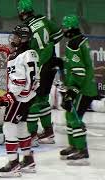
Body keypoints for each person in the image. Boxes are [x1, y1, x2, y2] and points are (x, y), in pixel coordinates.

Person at [17, 0, 64, 145]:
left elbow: (23, 49)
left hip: (38, 64)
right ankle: (49, 132)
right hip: (51, 62)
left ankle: (31, 134)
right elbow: (59, 35)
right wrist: (47, 46)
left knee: (33, 99)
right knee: (43, 98)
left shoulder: (25, 27)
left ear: (21, 12)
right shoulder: (43, 19)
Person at [0, 24, 39, 178]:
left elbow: (20, 81)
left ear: (23, 38)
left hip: (19, 98)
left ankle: (13, 163)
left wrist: (10, 96)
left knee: (8, 126)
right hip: (27, 97)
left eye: (16, 36)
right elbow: (33, 80)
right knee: (21, 126)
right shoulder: (31, 53)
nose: (12, 39)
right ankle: (28, 160)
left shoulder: (19, 56)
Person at [60, 15, 97, 166]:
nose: (62, 30)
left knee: (75, 117)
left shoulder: (73, 44)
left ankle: (82, 150)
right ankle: (74, 145)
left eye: (64, 27)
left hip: (82, 88)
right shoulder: (80, 40)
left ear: (70, 28)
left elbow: (79, 72)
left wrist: (72, 91)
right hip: (83, 86)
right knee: (70, 114)